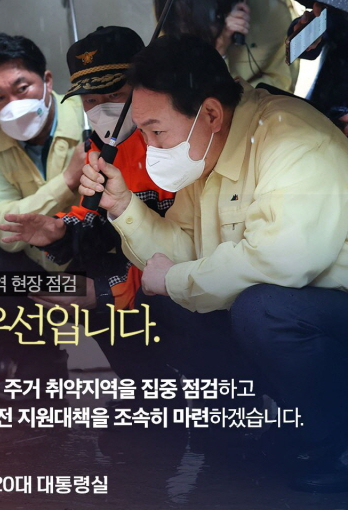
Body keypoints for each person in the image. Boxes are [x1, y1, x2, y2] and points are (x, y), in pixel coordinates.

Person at [79, 34, 348, 492]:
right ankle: (241, 423)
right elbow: (183, 250)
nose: (149, 145)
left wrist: (174, 279)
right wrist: (123, 207)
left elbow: (279, 263)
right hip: (287, 315)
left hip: (327, 313)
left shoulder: (293, 139)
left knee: (262, 309)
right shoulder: (206, 149)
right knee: (163, 300)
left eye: (156, 131)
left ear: (210, 114)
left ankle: (326, 444)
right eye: (142, 131)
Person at [0, 26, 175, 381]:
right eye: (90, 100)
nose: (102, 108)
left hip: (174, 273)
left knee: (102, 291)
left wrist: (109, 291)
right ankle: (141, 386)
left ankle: (164, 390)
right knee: (79, 276)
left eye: (114, 94)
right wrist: (59, 231)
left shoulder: (172, 143)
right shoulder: (98, 147)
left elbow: (179, 244)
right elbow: (91, 217)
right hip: (135, 270)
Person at [0, 32, 85, 380]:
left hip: (94, 268)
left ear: (47, 81)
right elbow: (5, 231)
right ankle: (42, 360)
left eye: (22, 88)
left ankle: (145, 379)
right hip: (38, 271)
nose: (13, 104)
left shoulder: (89, 118)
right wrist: (67, 181)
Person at [155, 0, 299, 91]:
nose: (183, 30)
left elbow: (282, 85)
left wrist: (219, 57)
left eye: (192, 23)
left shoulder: (272, 12)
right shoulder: (172, 10)